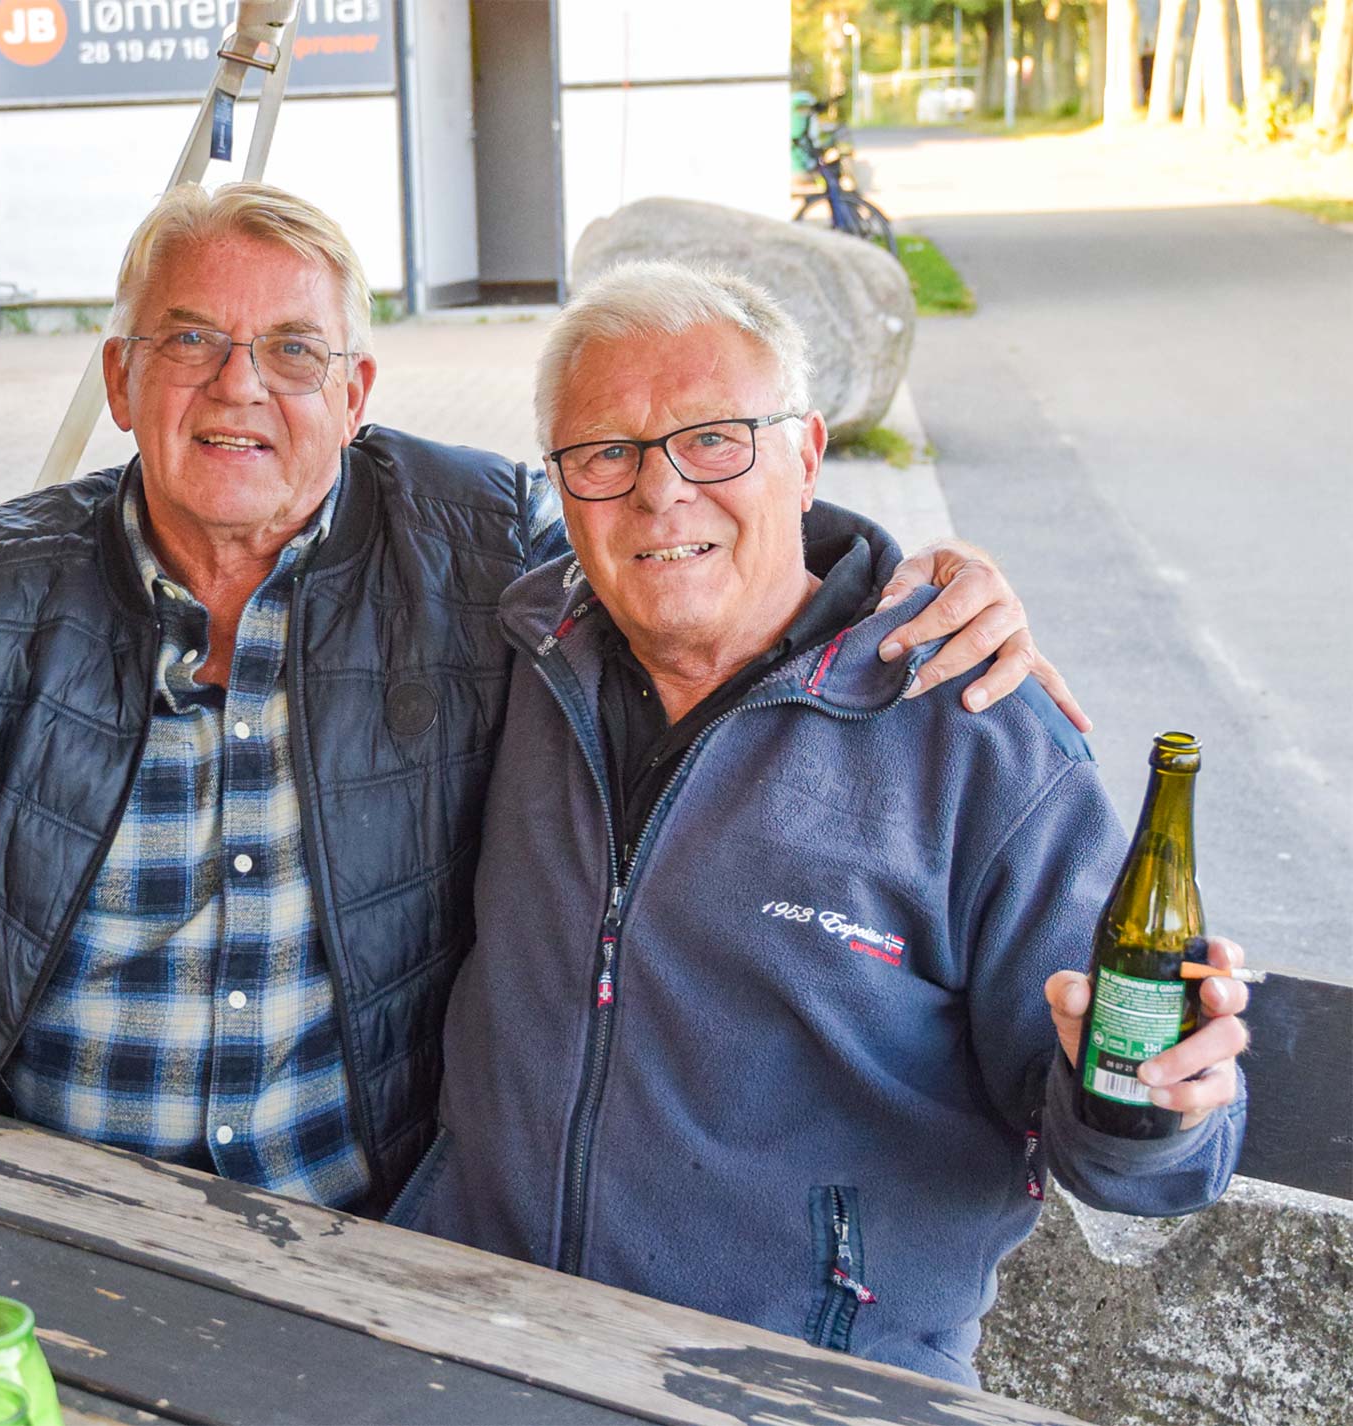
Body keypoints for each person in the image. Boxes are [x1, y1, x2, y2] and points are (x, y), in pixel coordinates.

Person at [0, 183, 1082, 1218]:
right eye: (191, 341)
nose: (239, 386)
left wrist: (911, 593)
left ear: (358, 390)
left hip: (355, 1219)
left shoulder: (479, 537)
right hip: (33, 1191)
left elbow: (686, 551)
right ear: (120, 381)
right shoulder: (22, 564)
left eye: (290, 348)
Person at [388, 261, 1248, 1382]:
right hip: (477, 1328)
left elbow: (1140, 1146)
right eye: (605, 453)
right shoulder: (520, 653)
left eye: (714, 438)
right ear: (561, 482)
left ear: (806, 456)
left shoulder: (976, 726)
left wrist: (1156, 1104)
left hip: (807, 1380)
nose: (660, 495)